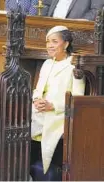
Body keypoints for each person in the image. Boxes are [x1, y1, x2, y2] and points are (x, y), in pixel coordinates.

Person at [30, 25, 85, 180]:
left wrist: (52, 106)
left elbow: (78, 98)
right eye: (48, 42)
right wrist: (36, 100)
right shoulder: (47, 64)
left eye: (54, 41)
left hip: (59, 117)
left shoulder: (74, 65)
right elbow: (37, 90)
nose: (49, 45)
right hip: (38, 112)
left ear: (66, 44)